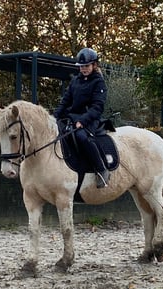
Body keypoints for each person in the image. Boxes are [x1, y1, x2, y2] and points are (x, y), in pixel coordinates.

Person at [54, 48, 110, 188]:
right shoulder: (75, 81)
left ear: (94, 65)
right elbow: (65, 101)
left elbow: (97, 107)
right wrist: (54, 117)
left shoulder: (99, 83)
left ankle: (101, 169)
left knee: (81, 137)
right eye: (81, 66)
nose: (84, 69)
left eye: (86, 66)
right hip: (72, 118)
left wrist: (82, 121)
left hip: (90, 119)